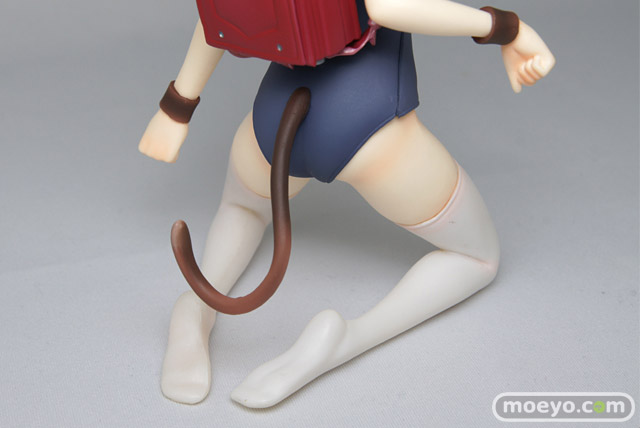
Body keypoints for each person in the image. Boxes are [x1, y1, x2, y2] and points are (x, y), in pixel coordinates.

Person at [139, 0, 555, 408]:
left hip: (274, 113)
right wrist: (507, 28)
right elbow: (388, 8)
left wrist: (176, 109)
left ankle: (195, 307)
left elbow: (218, 15)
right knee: (477, 256)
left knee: (243, 208)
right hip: (369, 126)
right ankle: (347, 339)